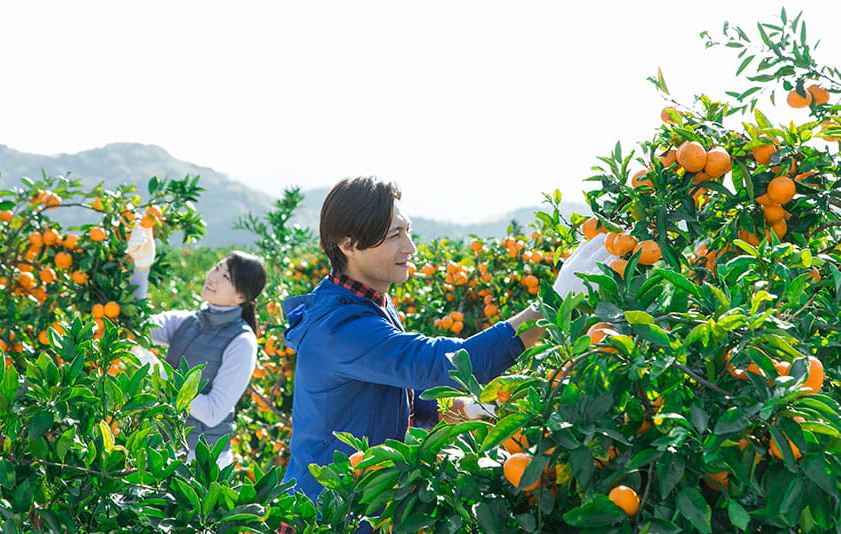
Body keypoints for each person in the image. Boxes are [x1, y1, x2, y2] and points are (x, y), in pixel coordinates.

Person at [281, 176, 614, 501]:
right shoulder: (339, 327)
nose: (409, 247)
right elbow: (444, 364)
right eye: (395, 235)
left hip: (359, 498)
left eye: (407, 230)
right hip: (327, 516)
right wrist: (551, 307)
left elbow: (394, 387)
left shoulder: (369, 302)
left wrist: (461, 408)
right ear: (349, 244)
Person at [126, 225, 267, 468]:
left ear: (241, 298)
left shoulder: (242, 342)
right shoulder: (187, 321)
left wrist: (160, 374)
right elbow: (134, 325)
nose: (212, 277)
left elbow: (213, 412)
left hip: (203, 460)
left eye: (225, 277)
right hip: (162, 447)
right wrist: (141, 268)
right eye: (216, 268)